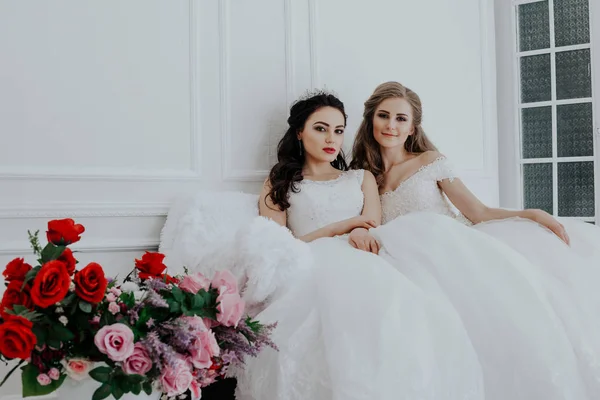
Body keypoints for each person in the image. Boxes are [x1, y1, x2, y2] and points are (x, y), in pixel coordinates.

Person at [351, 81, 600, 398]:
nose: (391, 125)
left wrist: (531, 213)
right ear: (371, 118)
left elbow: (478, 211)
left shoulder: (430, 161)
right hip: (404, 261)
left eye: (401, 119)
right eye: (384, 115)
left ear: (413, 127)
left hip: (450, 248)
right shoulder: (362, 175)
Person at [235, 91, 485, 400]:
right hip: (310, 263)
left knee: (392, 317)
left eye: (339, 130)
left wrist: (360, 233)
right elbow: (276, 246)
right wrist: (339, 227)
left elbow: (372, 226)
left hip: (365, 259)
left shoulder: (361, 177)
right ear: (299, 132)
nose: (332, 138)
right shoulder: (280, 180)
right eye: (320, 128)